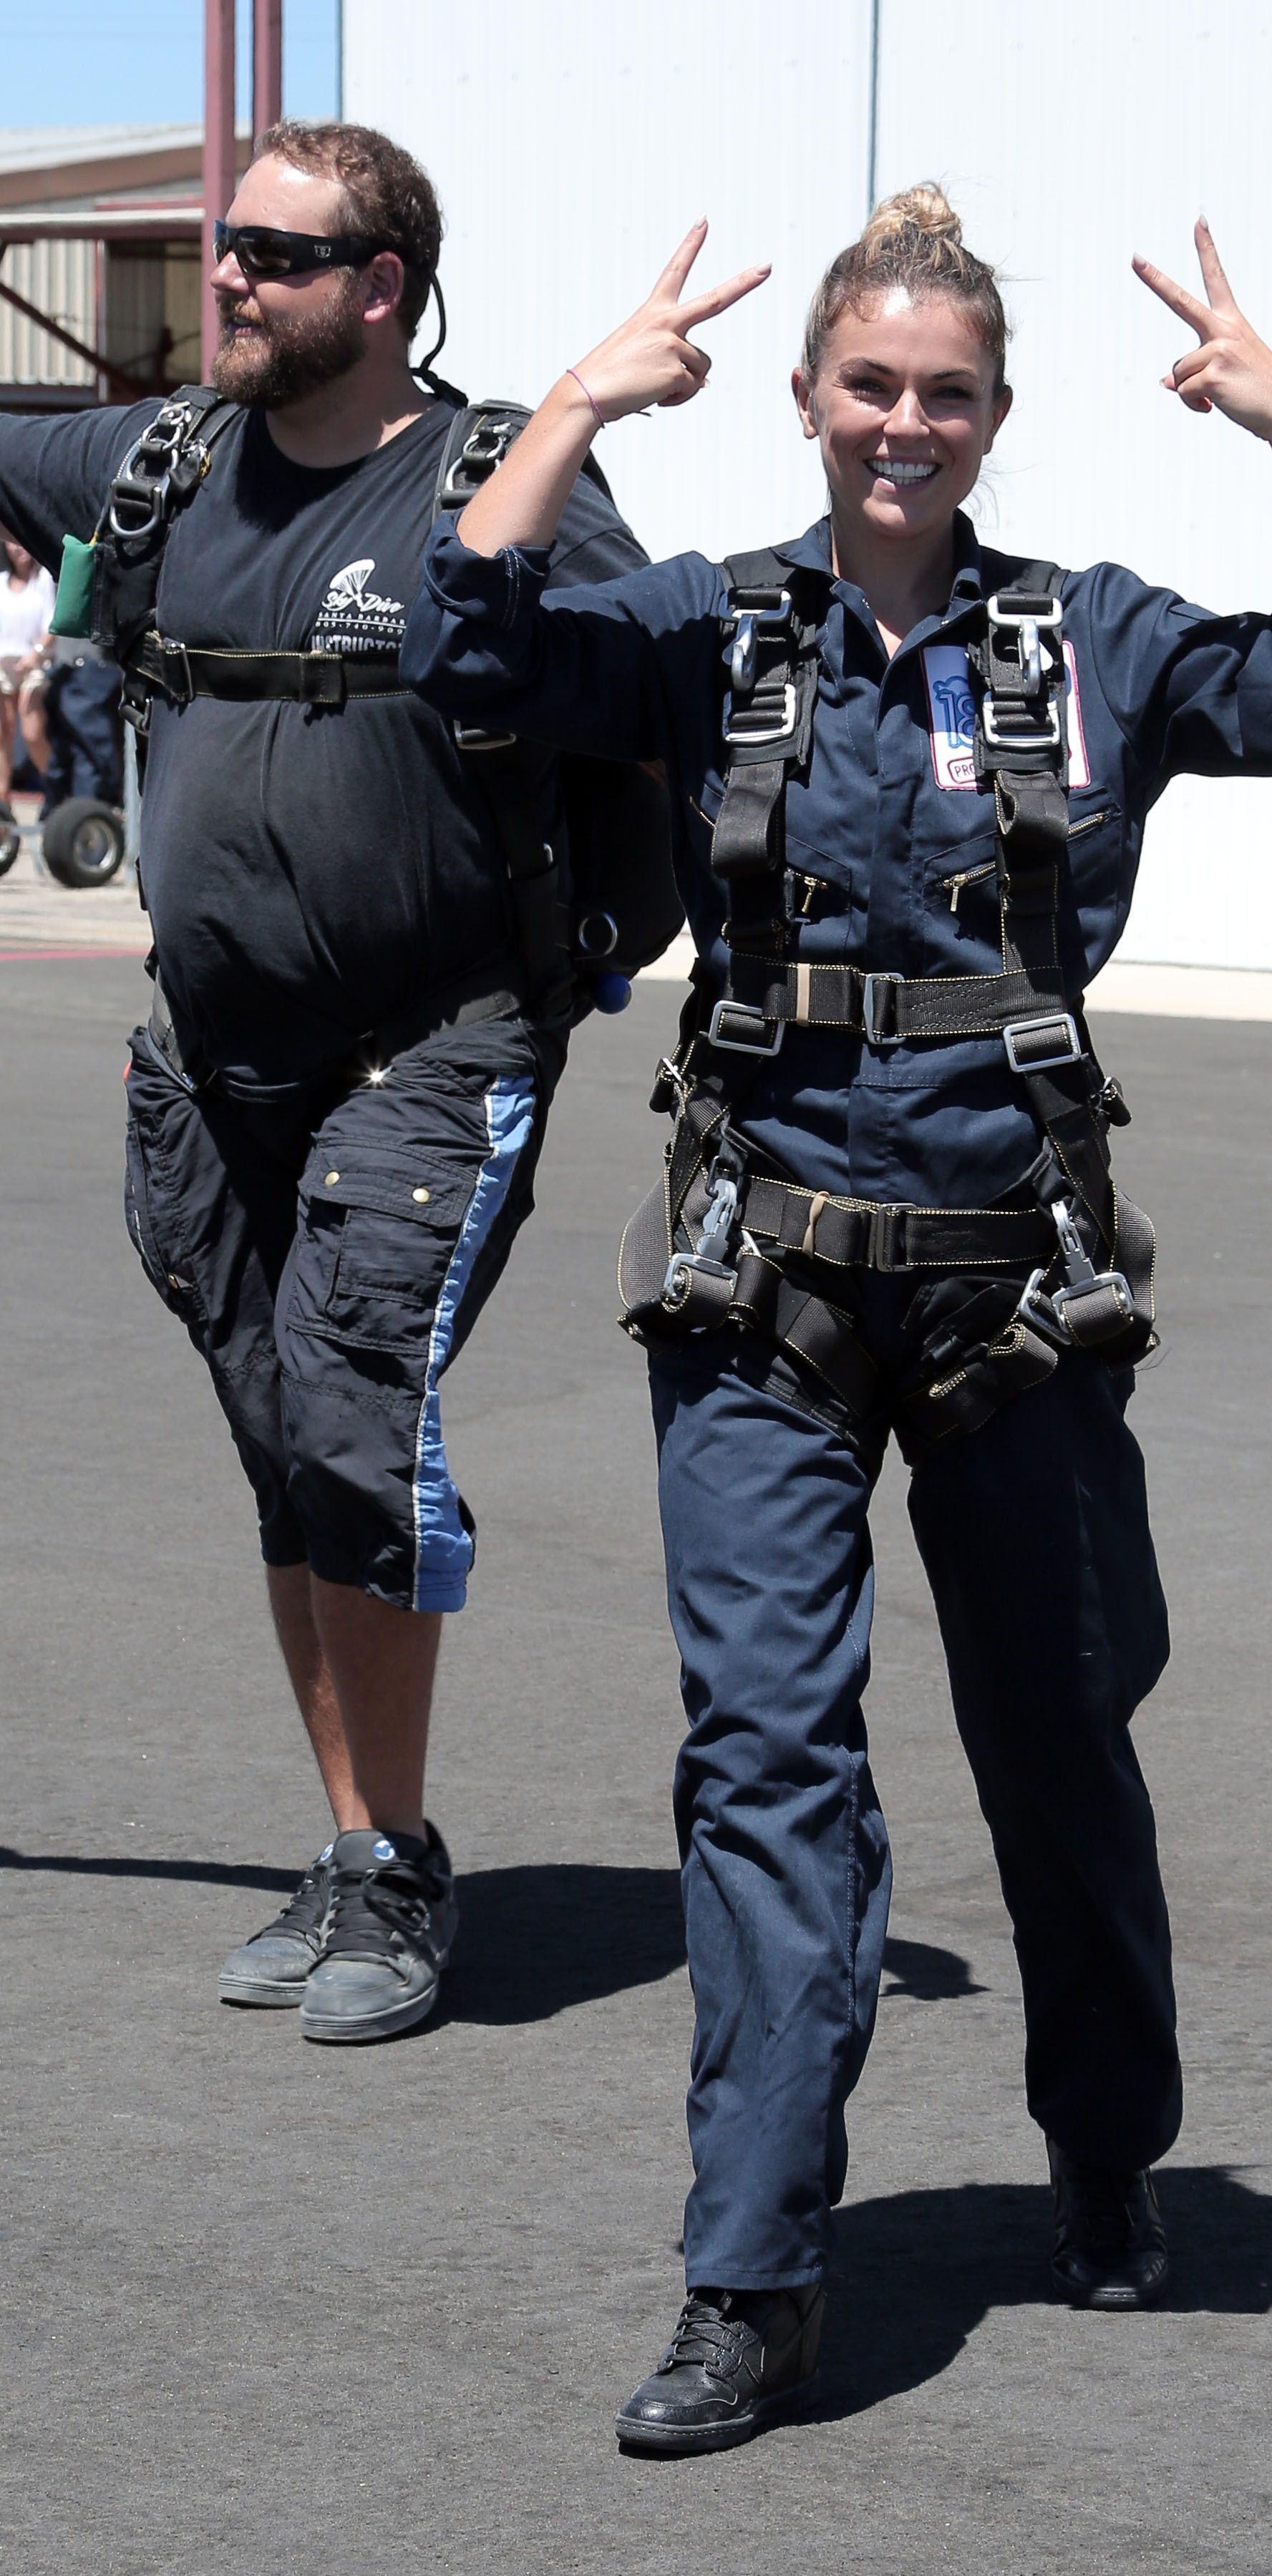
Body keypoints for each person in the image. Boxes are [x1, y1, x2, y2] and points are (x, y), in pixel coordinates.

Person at [404, 185, 1272, 2446]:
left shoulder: (1096, 638)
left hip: (1009, 1295)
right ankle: (750, 2277)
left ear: (992, 420)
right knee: (766, 1771)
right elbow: (463, 656)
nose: (902, 424)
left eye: (943, 394)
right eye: (867, 385)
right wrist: (566, 406)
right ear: (802, 400)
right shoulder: (698, 627)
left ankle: (1102, 2152)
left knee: (1058, 1742)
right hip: (758, 1287)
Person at [0, 119, 646, 2042]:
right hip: (211, 1069)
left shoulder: (493, 483)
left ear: (383, 286)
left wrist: (642, 948)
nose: (230, 281)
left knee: (360, 1427)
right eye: (222, 250)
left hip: (428, 1053)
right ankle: (357, 1845)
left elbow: (667, 711)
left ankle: (392, 1865)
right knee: (292, 1459)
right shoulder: (163, 467)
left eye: (275, 257)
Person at [0, 530, 54, 813]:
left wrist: (35, 657)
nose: (18, 549)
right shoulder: (1, 584)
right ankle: (2, 805)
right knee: (2, 734)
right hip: (3, 668)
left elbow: (51, 628)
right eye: (12, 543)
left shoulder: (44, 580)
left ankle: (56, 790)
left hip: (35, 666)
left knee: (31, 731)